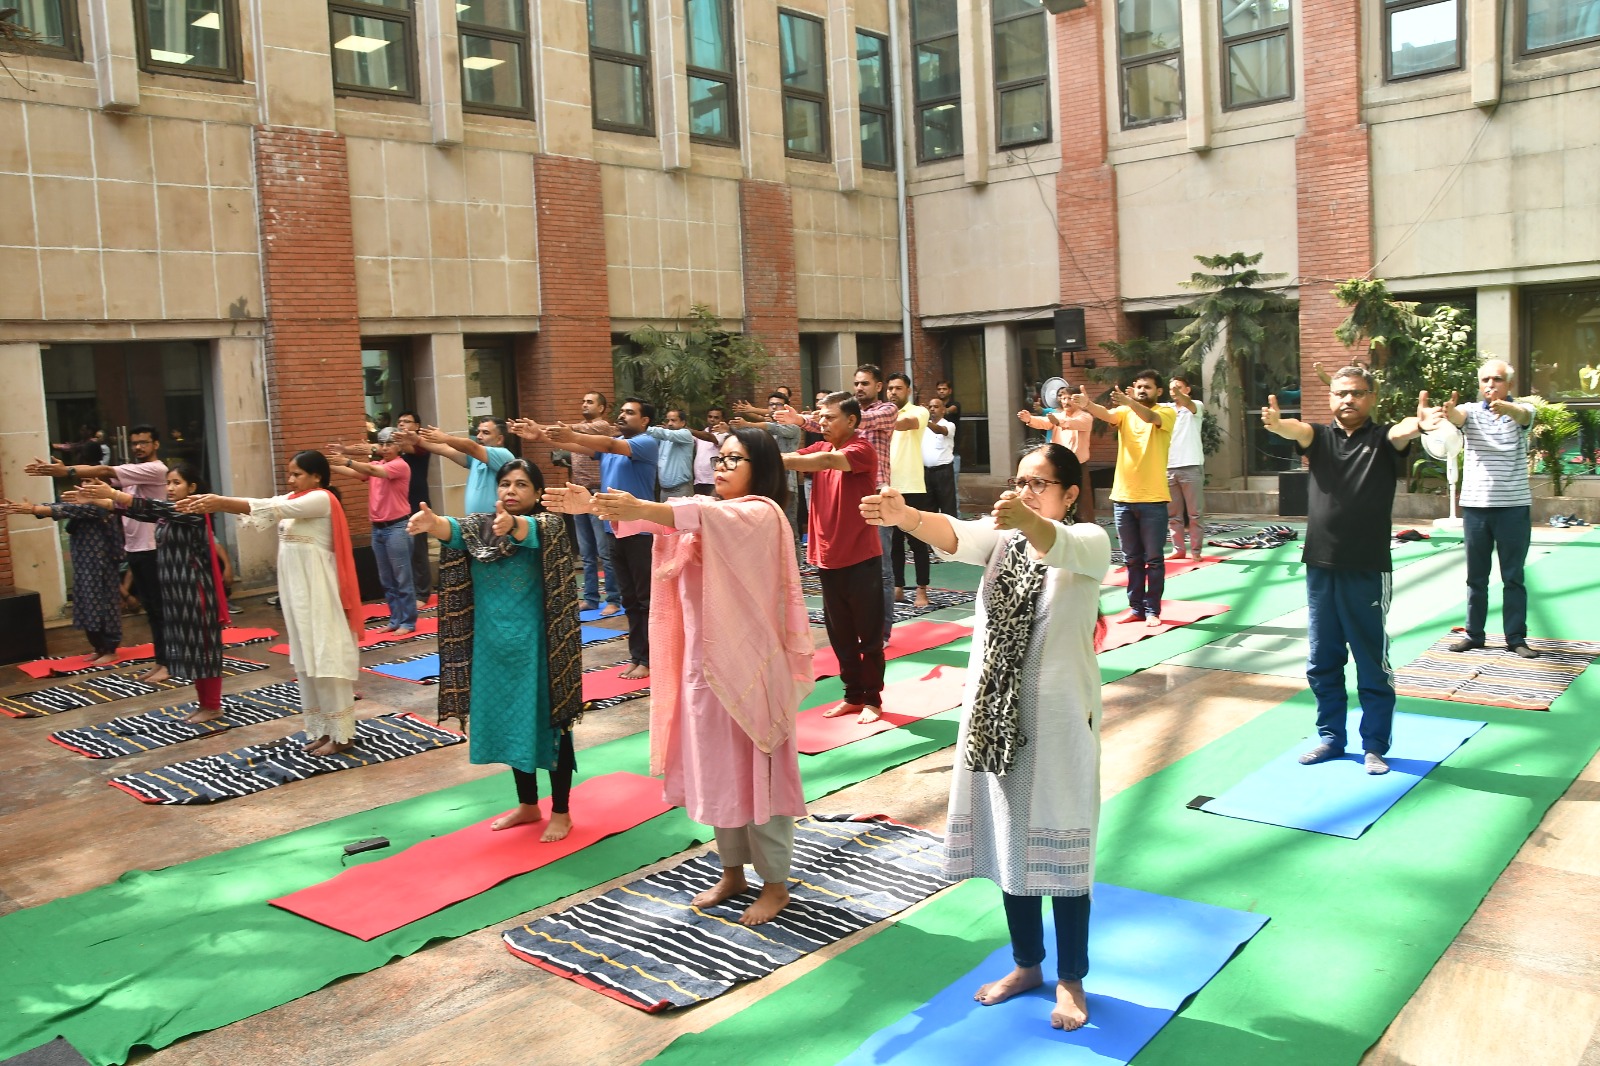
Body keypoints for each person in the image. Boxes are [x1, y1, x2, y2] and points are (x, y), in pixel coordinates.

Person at [861, 443, 1110, 1032]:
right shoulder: (1004, 543)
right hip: (995, 721)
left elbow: (1060, 544)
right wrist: (905, 517)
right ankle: (1027, 964)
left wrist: (1028, 519)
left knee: (1064, 849)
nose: (1025, 492)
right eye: (1019, 481)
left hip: (1059, 722)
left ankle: (1071, 979)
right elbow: (956, 534)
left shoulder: (1090, 540)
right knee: (1009, 845)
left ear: (1070, 494)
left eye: (1039, 483)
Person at [545, 427, 812, 924]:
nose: (723, 467)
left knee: (762, 775)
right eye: (722, 458)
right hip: (702, 667)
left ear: (763, 468)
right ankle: (732, 870)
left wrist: (639, 508)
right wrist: (594, 506)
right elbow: (667, 523)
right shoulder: (705, 514)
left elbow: (688, 515)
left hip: (751, 667)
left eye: (735, 459)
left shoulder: (760, 514)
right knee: (716, 770)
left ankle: (775, 884)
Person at [1260, 366, 1429, 775]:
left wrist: (1420, 424)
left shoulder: (1382, 438)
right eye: (1339, 393)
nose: (1347, 400)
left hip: (1366, 567)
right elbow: (1296, 431)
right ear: (1331, 398)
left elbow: (1402, 431)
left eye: (1355, 393)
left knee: (1372, 661)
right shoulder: (1318, 437)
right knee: (1323, 659)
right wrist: (1279, 424)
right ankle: (1332, 738)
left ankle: (1375, 745)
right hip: (1320, 565)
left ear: (1371, 397)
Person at [409, 460, 584, 841]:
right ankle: (527, 804)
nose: (511, 491)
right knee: (511, 726)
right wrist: (432, 524)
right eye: (505, 483)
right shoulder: (479, 526)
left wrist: (513, 526)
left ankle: (562, 811)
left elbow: (528, 530)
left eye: (522, 484)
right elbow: (453, 531)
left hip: (540, 650)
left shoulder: (549, 526)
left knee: (552, 728)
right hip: (492, 650)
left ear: (538, 493)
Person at [180, 451, 364, 755]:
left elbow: (269, 506)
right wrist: (213, 504)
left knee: (326, 658)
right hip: (296, 593)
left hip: (319, 592)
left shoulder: (321, 499)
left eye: (297, 474)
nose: (291, 480)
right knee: (306, 661)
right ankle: (322, 728)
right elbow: (263, 508)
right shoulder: (295, 497)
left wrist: (220, 502)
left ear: (317, 476)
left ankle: (343, 736)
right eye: (289, 474)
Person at [73, 461, 230, 724]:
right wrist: (99, 499)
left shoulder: (193, 509)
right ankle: (204, 704)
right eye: (168, 483)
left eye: (176, 483)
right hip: (177, 593)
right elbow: (142, 512)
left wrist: (112, 492)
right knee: (191, 650)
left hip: (195, 592)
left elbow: (150, 507)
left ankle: (213, 706)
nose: (170, 488)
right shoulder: (171, 513)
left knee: (204, 650)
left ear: (192, 487)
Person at [777, 365, 918, 644]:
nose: (860, 387)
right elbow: (835, 424)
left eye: (865, 383)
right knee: (838, 564)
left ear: (879, 386)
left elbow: (852, 420)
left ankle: (881, 633)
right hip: (843, 489)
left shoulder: (887, 410)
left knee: (880, 569)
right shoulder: (838, 428)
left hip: (874, 498)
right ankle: (850, 632)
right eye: (856, 383)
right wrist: (804, 420)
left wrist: (809, 419)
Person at [26, 424, 170, 681]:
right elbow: (107, 491)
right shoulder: (134, 476)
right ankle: (162, 661)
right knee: (152, 611)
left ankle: (168, 662)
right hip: (135, 548)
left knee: (158, 610)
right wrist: (83, 490)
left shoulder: (155, 469)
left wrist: (66, 470)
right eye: (135, 442)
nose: (138, 447)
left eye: (144, 442)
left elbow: (103, 471)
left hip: (152, 549)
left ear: (156, 444)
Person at [539, 398, 661, 680]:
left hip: (641, 533)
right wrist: (541, 433)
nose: (623, 415)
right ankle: (637, 656)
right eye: (622, 411)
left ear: (644, 421)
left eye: (630, 413)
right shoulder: (613, 445)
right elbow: (580, 446)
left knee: (646, 601)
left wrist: (570, 434)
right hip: (614, 530)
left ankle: (651, 659)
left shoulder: (645, 443)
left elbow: (604, 444)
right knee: (630, 600)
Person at [782, 393, 884, 722]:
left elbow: (824, 463)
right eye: (820, 417)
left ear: (851, 421)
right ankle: (852, 694)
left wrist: (764, 456)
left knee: (867, 634)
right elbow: (801, 457)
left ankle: (872, 699)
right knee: (840, 635)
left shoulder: (861, 449)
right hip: (827, 559)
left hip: (861, 557)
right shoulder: (821, 448)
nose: (822, 423)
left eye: (829, 418)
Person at [414, 418, 517, 724]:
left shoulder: (502, 456)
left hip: (497, 529)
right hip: (475, 530)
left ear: (498, 439)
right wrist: (418, 441)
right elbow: (448, 451)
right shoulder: (478, 460)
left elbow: (467, 445)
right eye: (479, 432)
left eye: (486, 433)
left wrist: (444, 434)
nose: (480, 437)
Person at [1433, 360, 1538, 658]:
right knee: (1476, 577)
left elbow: (1523, 414)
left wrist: (1506, 408)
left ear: (1509, 384)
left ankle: (1516, 638)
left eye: (1497, 379)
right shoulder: (1471, 411)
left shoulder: (1524, 410)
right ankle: (1474, 634)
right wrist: (1449, 411)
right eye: (1485, 380)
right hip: (1476, 508)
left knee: (1513, 576)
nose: (1490, 385)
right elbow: (1457, 416)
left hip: (1513, 508)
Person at [3, 445, 124, 665]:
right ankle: (98, 647)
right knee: (87, 606)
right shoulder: (82, 503)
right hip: (84, 564)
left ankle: (110, 648)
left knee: (104, 605)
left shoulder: (101, 506)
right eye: (85, 482)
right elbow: (65, 507)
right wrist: (37, 508)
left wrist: (34, 509)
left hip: (102, 564)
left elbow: (66, 510)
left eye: (93, 483)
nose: (86, 487)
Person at [1084, 371, 1175, 626]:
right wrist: (1088, 405)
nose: (1142, 390)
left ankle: (1152, 611)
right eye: (1138, 387)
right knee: (1131, 558)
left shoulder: (1167, 412)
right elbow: (1108, 415)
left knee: (1154, 559)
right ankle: (1135, 608)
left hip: (1154, 500)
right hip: (1123, 498)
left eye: (1147, 387)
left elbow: (1149, 417)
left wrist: (1128, 401)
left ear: (1159, 391)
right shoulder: (1124, 413)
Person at [331, 428, 415, 635]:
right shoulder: (376, 465)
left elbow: (371, 471)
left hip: (397, 527)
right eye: (382, 444)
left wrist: (348, 460)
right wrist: (329, 463)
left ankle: (408, 621)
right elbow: (354, 472)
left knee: (402, 577)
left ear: (399, 447)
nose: (385, 448)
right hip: (378, 529)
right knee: (386, 579)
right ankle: (395, 619)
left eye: (389, 444)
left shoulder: (400, 466)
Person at [563, 392, 623, 616]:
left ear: (601, 408)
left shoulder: (602, 427)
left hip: (597, 492)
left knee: (604, 551)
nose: (584, 405)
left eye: (590, 402)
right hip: (579, 492)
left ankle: (614, 599)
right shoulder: (578, 429)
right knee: (586, 553)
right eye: (583, 401)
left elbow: (572, 432)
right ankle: (590, 598)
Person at [886, 372, 932, 609]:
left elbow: (906, 425)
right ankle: (899, 588)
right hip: (887, 487)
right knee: (893, 543)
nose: (893, 392)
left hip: (912, 487)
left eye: (898, 388)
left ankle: (922, 590)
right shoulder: (879, 414)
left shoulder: (919, 412)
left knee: (917, 542)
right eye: (890, 388)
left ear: (908, 391)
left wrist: (877, 420)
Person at [1018, 385, 1095, 524]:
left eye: (1070, 398)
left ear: (1078, 400)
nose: (1065, 401)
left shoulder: (1085, 417)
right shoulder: (1057, 416)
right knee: (1054, 500)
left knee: (1082, 501)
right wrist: (1029, 419)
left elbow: (1073, 423)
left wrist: (1058, 422)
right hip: (1055, 467)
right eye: (1063, 398)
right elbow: (1044, 422)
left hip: (1078, 466)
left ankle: (1086, 528)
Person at [393, 411, 433, 609]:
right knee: (403, 552)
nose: (402, 425)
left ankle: (423, 593)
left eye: (407, 422)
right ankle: (408, 591)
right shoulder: (395, 448)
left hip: (418, 503)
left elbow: (409, 446)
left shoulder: (420, 444)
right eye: (399, 422)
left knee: (419, 551)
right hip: (399, 505)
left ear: (417, 425)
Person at [1165, 374, 1206, 560]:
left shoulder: (1196, 406)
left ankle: (1196, 551)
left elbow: (1187, 403)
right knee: (1173, 514)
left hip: (1191, 466)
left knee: (1195, 513)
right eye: (1171, 388)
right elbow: (1147, 410)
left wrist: (1179, 395)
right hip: (1169, 467)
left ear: (1187, 389)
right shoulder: (1166, 409)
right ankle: (1178, 549)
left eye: (1179, 387)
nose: (1174, 391)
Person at [924, 396, 959, 518]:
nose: (932, 409)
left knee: (948, 507)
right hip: (926, 473)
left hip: (943, 472)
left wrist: (925, 421)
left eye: (936, 406)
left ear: (943, 410)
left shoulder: (949, 425)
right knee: (929, 508)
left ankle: (953, 535)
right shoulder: (923, 428)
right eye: (930, 407)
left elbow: (939, 430)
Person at [692, 406, 727, 495]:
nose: (712, 420)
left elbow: (710, 437)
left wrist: (689, 430)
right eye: (710, 417)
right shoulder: (701, 434)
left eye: (716, 417)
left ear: (722, 419)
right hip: (699, 481)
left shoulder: (724, 434)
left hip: (714, 481)